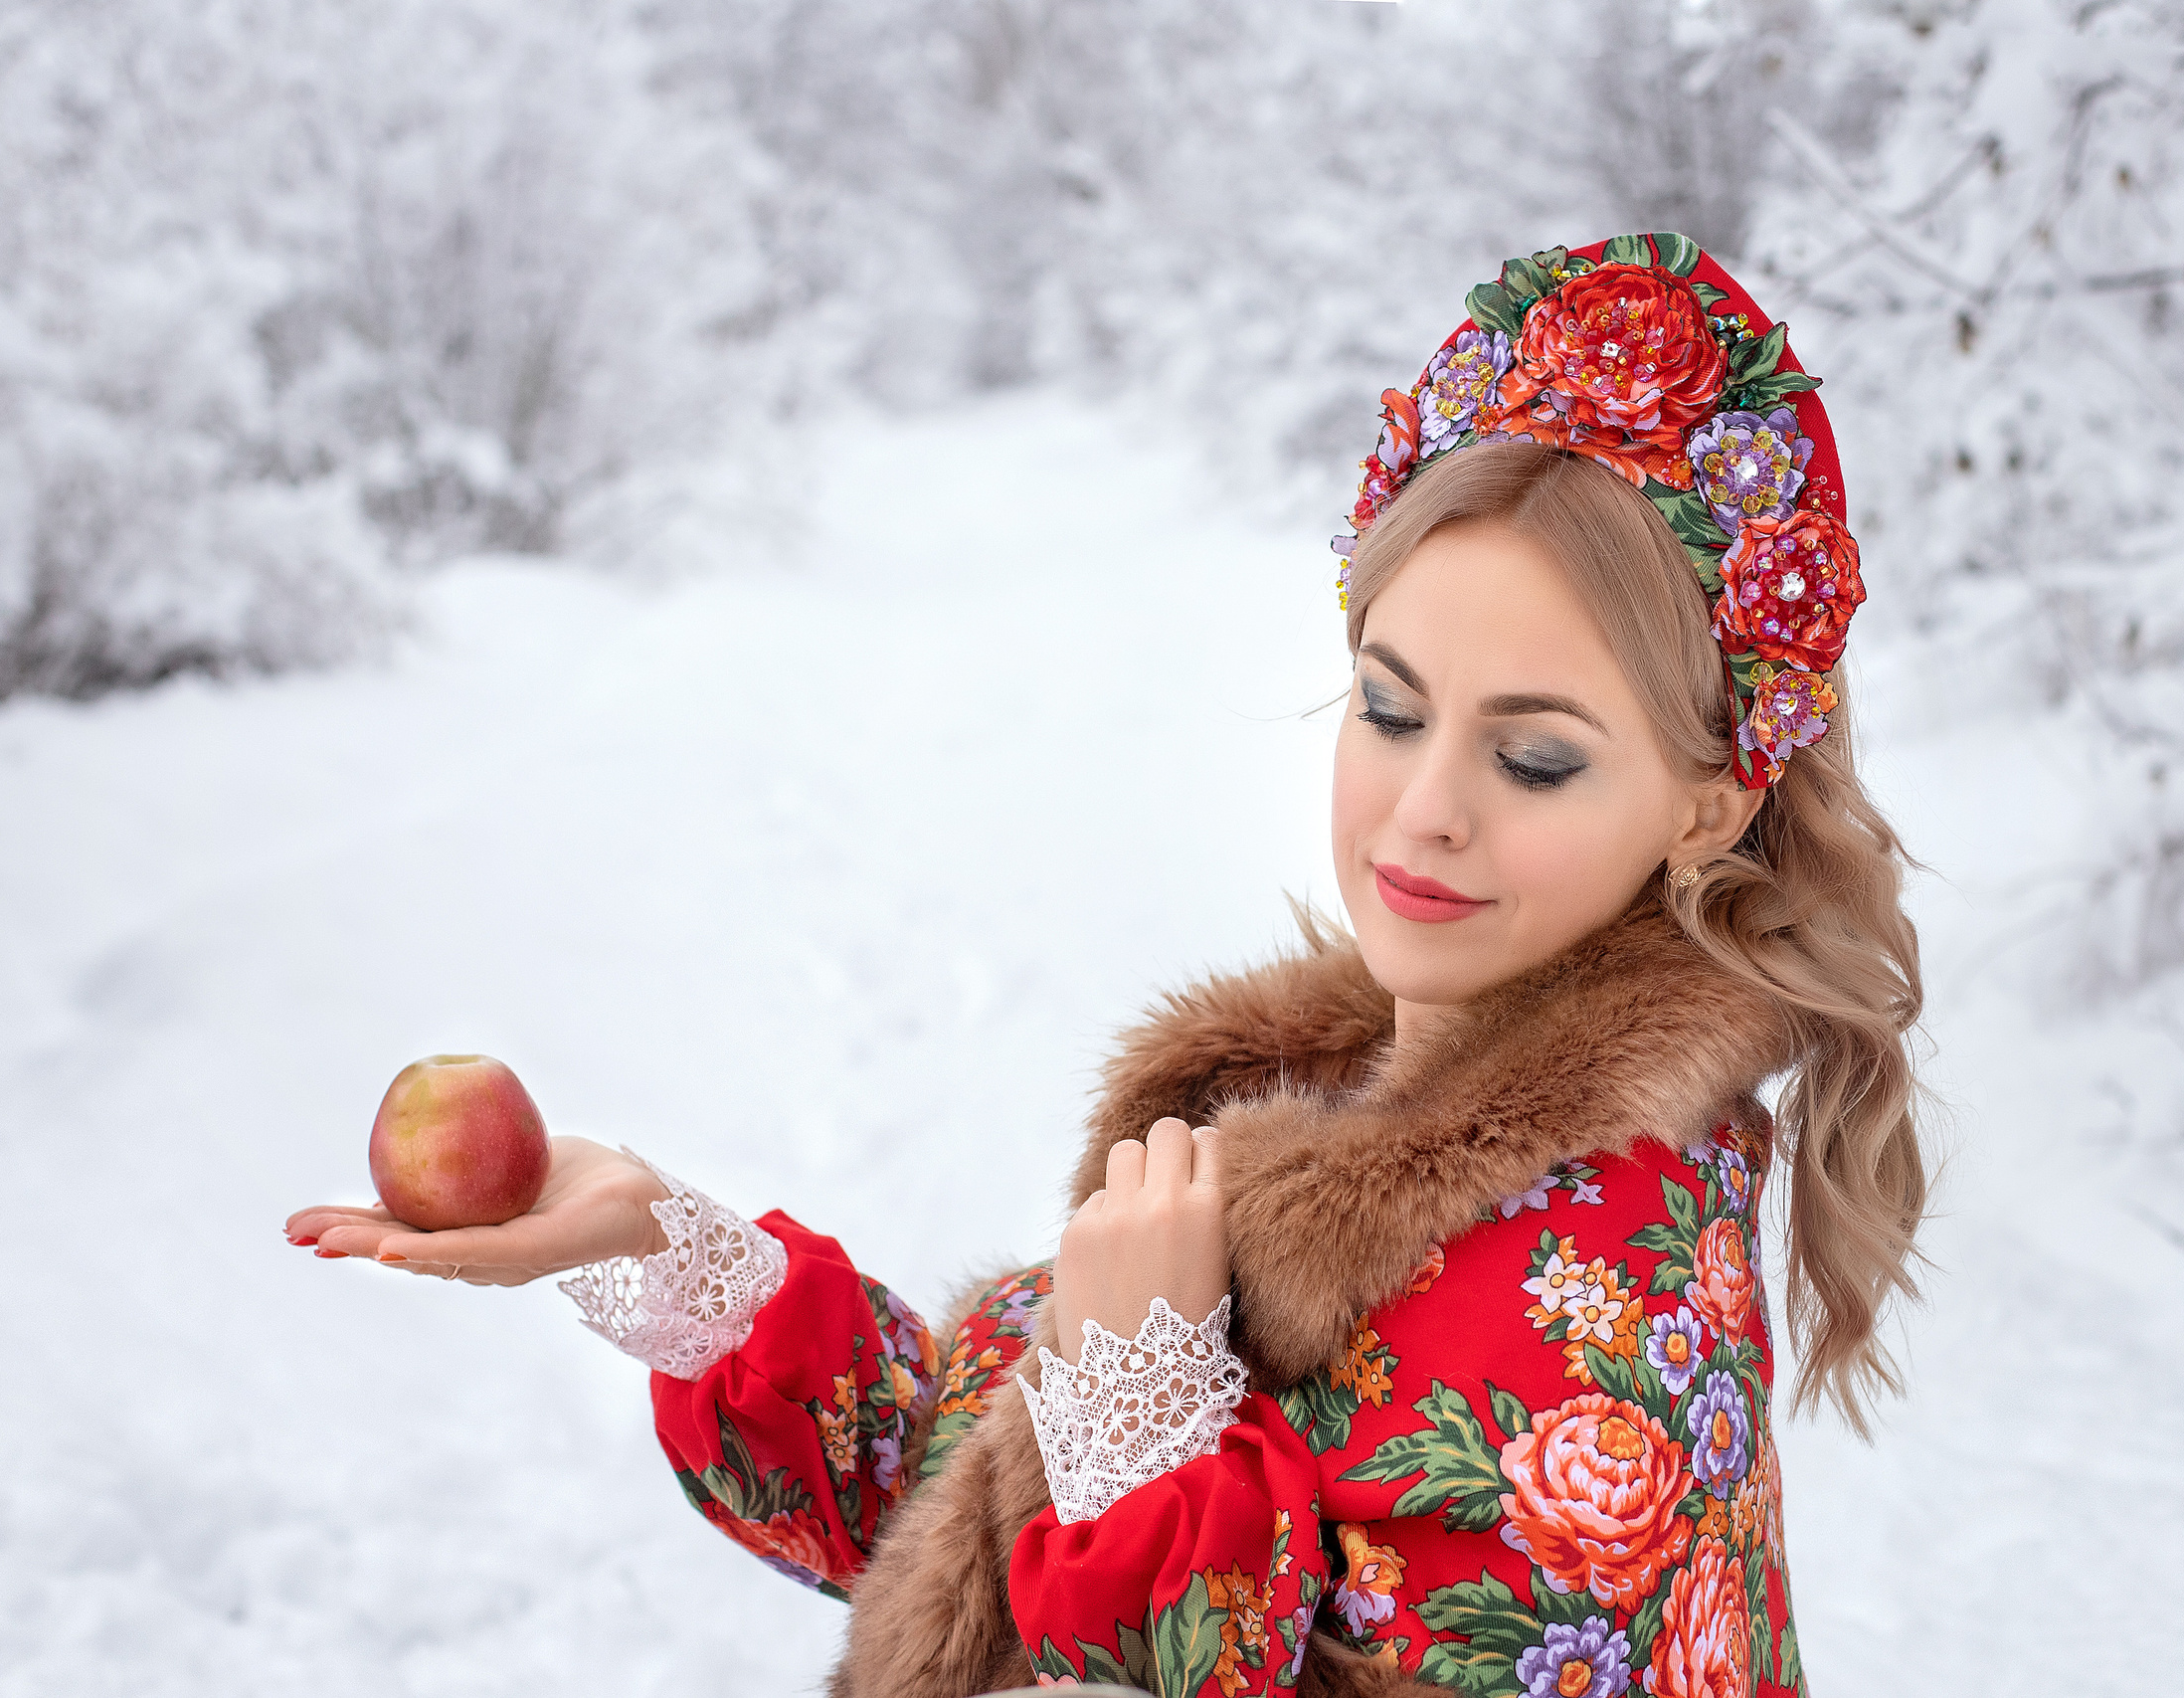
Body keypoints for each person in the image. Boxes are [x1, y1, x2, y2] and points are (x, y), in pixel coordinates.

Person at [286, 232, 1924, 1698]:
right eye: (1390, 708)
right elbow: (972, 1489)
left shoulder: (1591, 1290)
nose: (1422, 820)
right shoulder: (1346, 1099)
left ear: (1710, 798)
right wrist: (668, 1254)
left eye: (1539, 760)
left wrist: (1142, 1421)